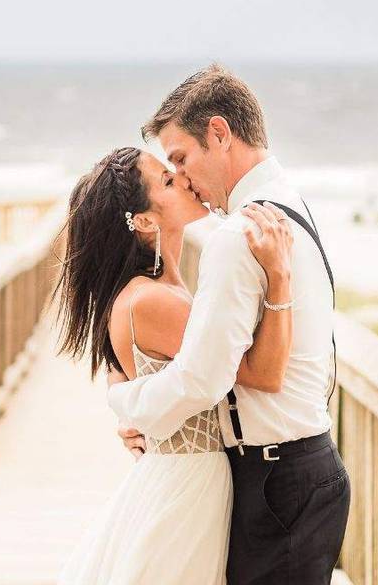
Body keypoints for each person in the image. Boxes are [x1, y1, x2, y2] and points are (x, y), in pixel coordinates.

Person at [108, 65, 350, 584]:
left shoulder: (241, 234)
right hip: (296, 468)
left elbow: (204, 377)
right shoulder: (289, 203)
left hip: (278, 477)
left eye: (181, 159)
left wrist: (128, 402)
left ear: (219, 134)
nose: (185, 179)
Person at [53, 145, 295, 584]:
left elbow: (131, 374)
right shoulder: (155, 301)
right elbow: (264, 374)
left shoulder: (154, 291)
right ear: (144, 221)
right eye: (167, 180)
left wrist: (126, 402)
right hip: (189, 488)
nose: (183, 179)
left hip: (181, 478)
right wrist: (280, 277)